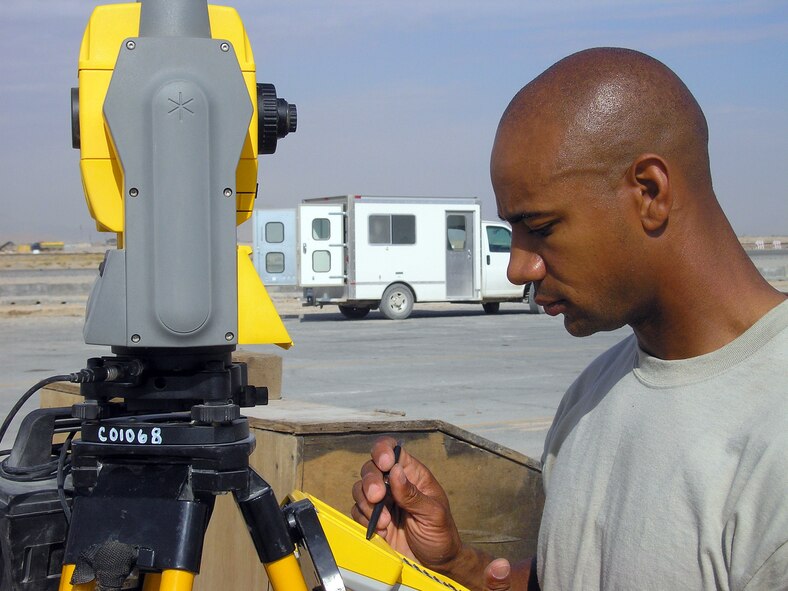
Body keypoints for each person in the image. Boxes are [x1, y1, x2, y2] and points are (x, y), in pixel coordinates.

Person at [351, 47, 787, 591]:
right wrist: (455, 563)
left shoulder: (774, 437)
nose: (518, 269)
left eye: (541, 228)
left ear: (650, 192)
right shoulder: (591, 395)